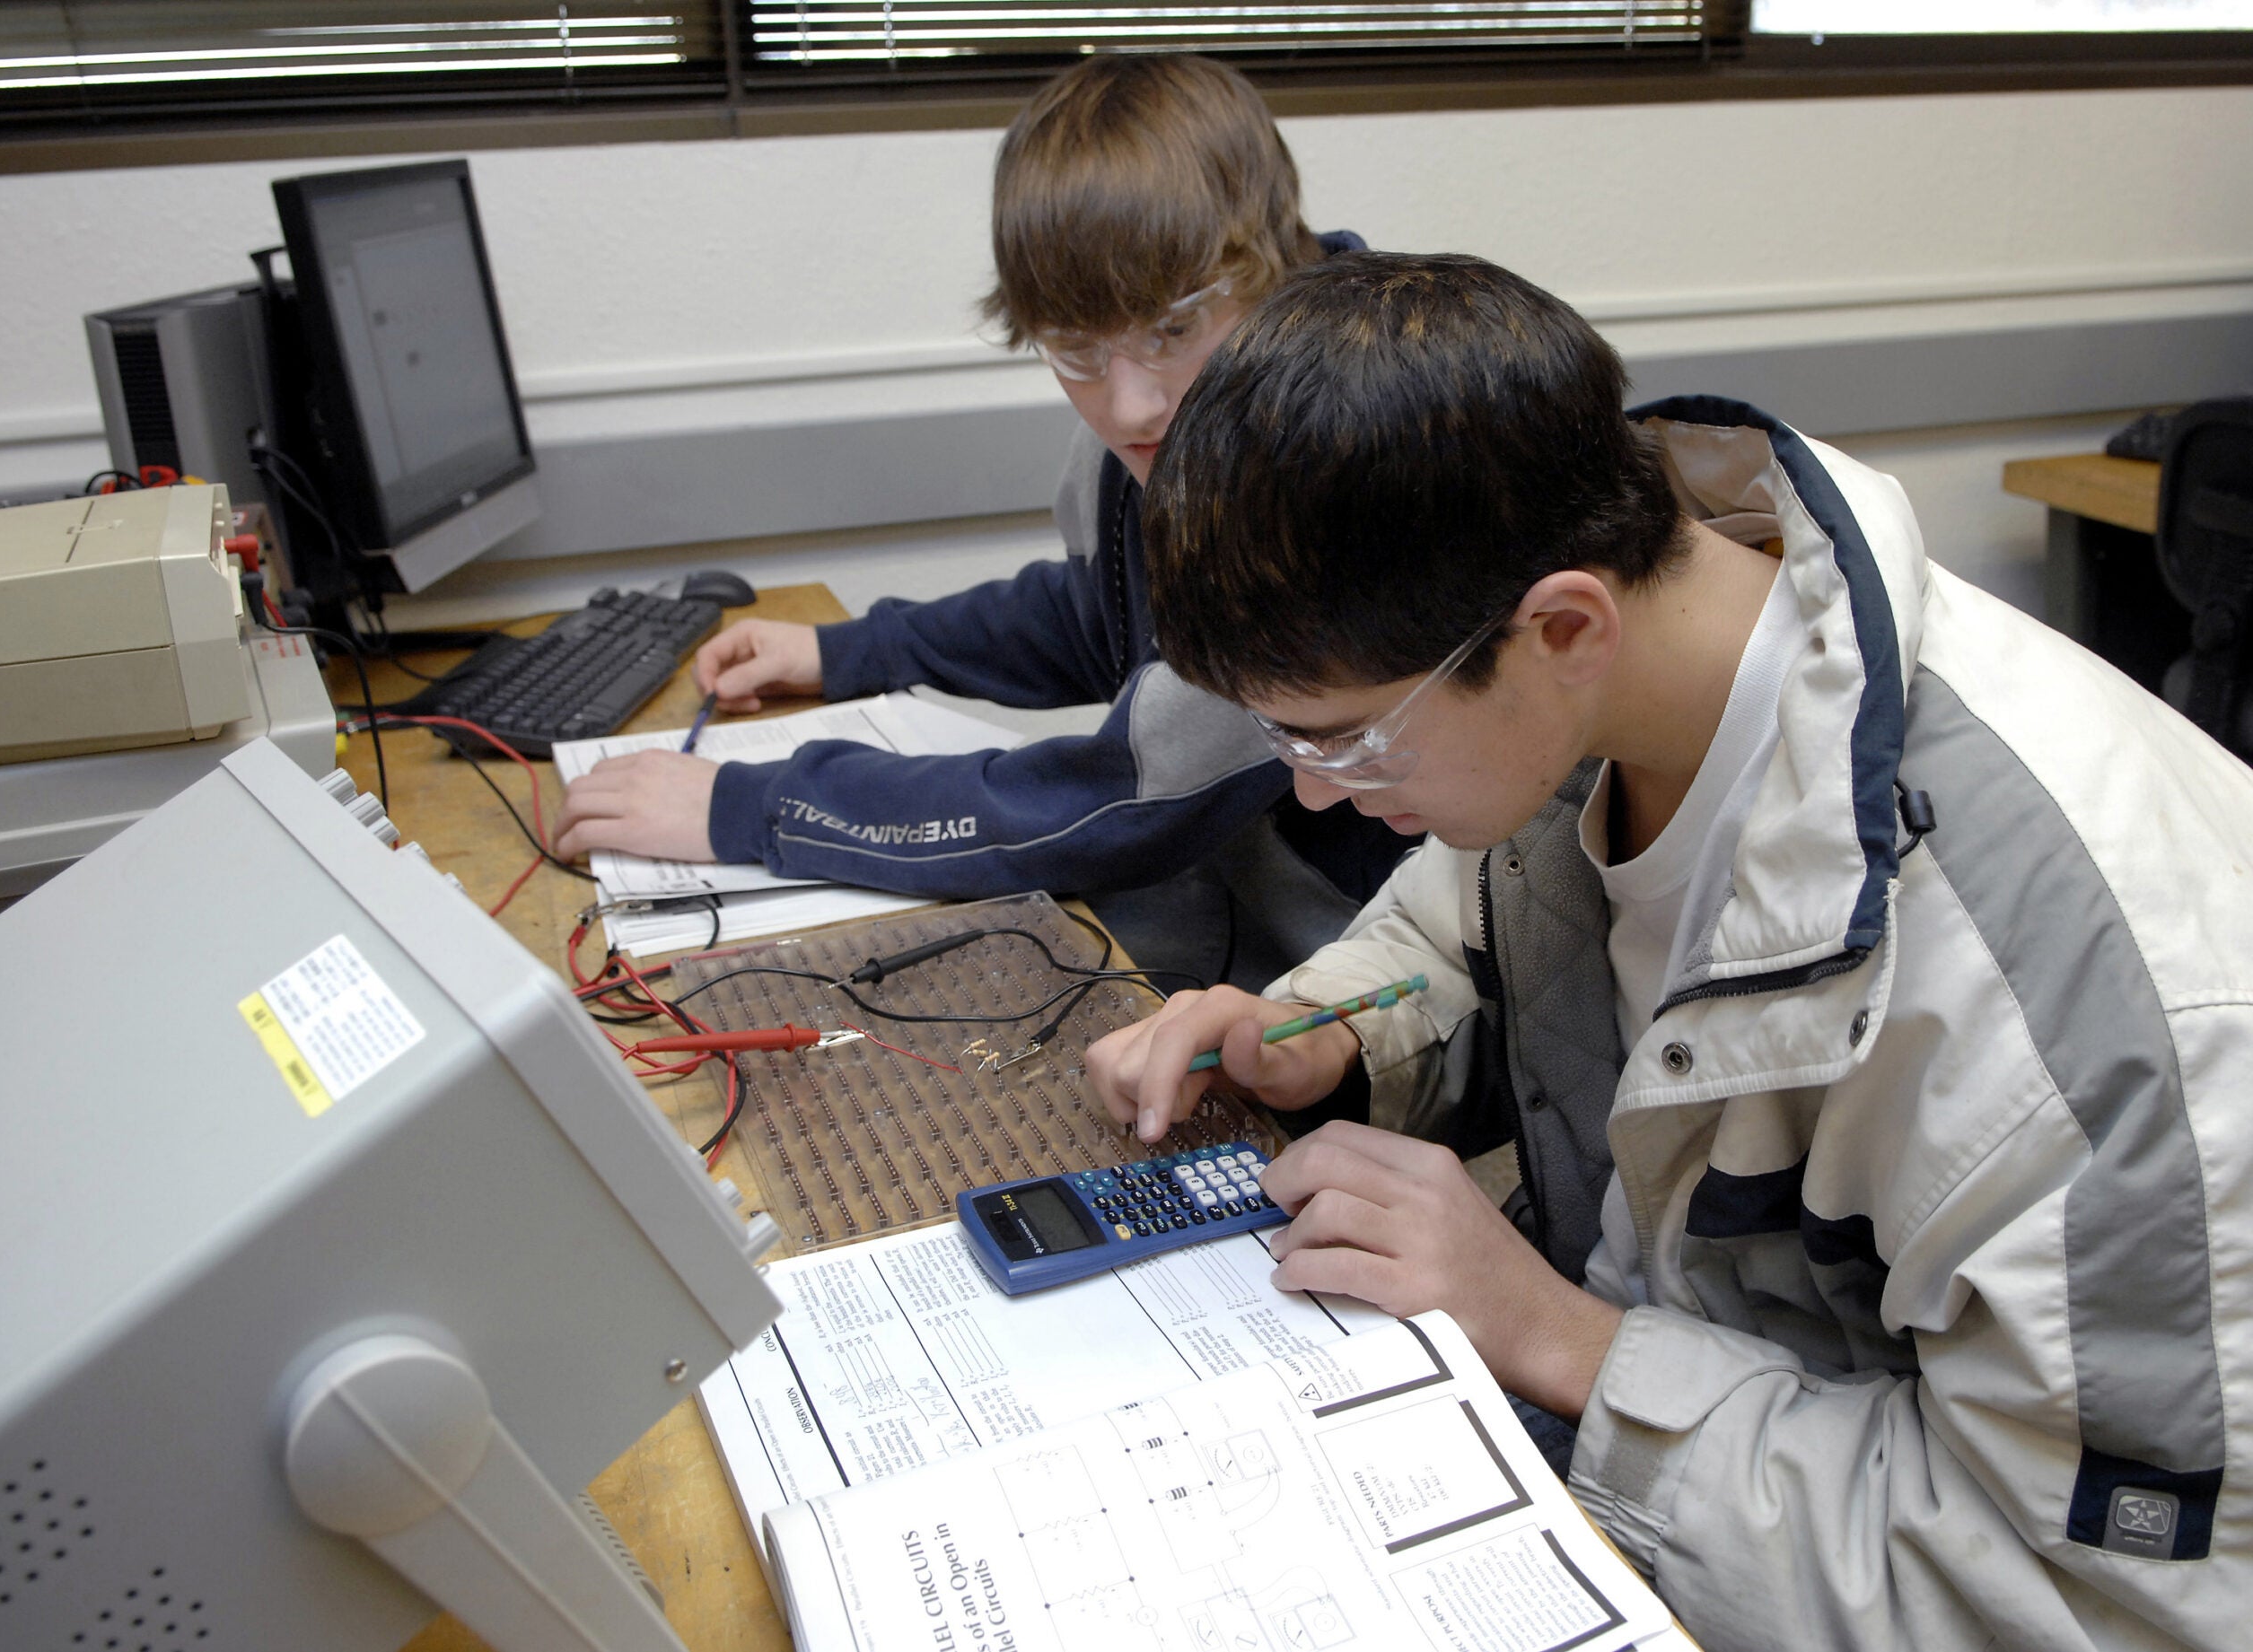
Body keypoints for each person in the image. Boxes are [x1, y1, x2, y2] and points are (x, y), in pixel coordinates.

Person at [1083, 250, 2252, 1649]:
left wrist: (1561, 1341)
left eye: (1343, 738)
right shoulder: (1603, 687)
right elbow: (1471, 920)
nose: (1316, 792)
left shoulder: (2073, 1007)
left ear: (1565, 625)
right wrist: (1331, 1035)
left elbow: (2093, 1600)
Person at [553, 54, 1405, 988]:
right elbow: (1090, 617)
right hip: (1226, 929)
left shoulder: (1328, 463)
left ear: (1270, 264)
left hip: (1353, 990)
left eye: (1172, 329)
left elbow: (1122, 797)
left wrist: (759, 807)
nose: (1128, 407)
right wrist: (848, 650)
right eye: (1076, 351)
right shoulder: (1185, 422)